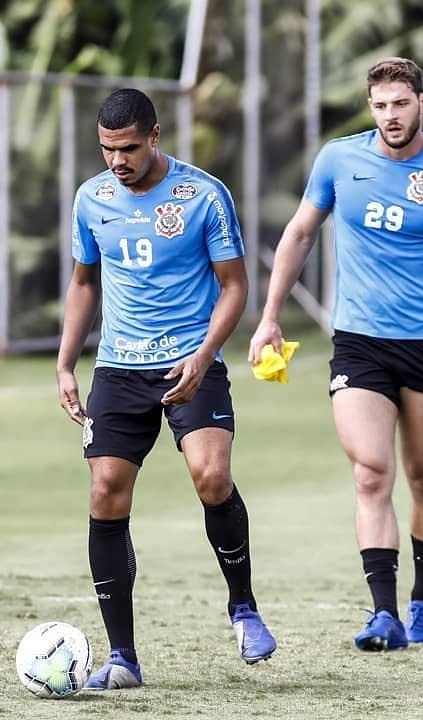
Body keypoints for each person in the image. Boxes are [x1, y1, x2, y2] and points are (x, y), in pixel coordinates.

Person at [248, 57, 423, 650]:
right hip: (358, 344)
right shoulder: (339, 160)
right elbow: (300, 232)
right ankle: (383, 613)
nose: (390, 115)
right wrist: (267, 318)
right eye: (380, 105)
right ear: (372, 108)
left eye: (400, 103)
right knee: (371, 472)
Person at [56, 88, 277, 689]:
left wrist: (205, 357)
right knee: (105, 492)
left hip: (190, 361)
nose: (117, 161)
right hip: (119, 367)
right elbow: (83, 282)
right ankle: (122, 658)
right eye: (106, 150)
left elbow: (234, 286)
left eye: (127, 148)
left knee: (211, 476)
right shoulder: (91, 198)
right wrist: (64, 363)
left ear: (155, 136)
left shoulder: (203, 195)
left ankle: (243, 606)